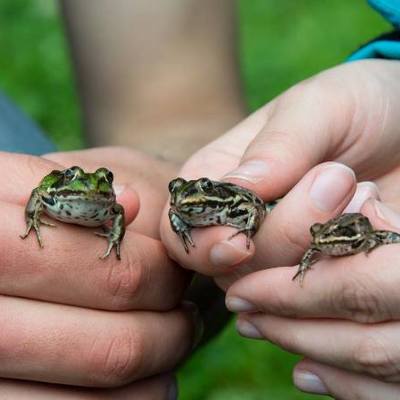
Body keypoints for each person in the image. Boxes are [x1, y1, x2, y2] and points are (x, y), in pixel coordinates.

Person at [1, 1, 399, 399]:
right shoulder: (165, 207)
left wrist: (161, 178)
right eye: (180, 193)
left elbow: (179, 120)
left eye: (105, 181)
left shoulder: (118, 207)